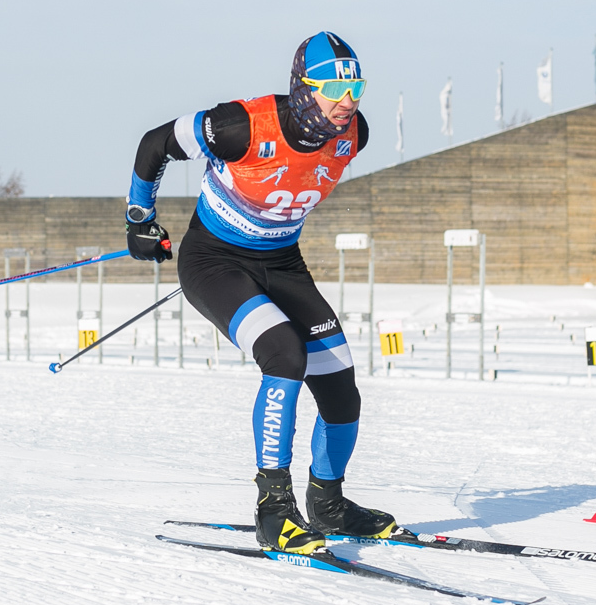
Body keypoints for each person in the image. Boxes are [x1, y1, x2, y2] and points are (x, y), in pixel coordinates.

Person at [123, 32, 396, 555]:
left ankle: (329, 503)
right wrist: (140, 217)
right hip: (214, 262)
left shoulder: (354, 134)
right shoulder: (240, 126)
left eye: (355, 87)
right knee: (283, 355)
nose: (346, 101)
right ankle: (273, 509)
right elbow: (154, 143)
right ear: (302, 87)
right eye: (331, 88)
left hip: (282, 263)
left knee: (340, 385)